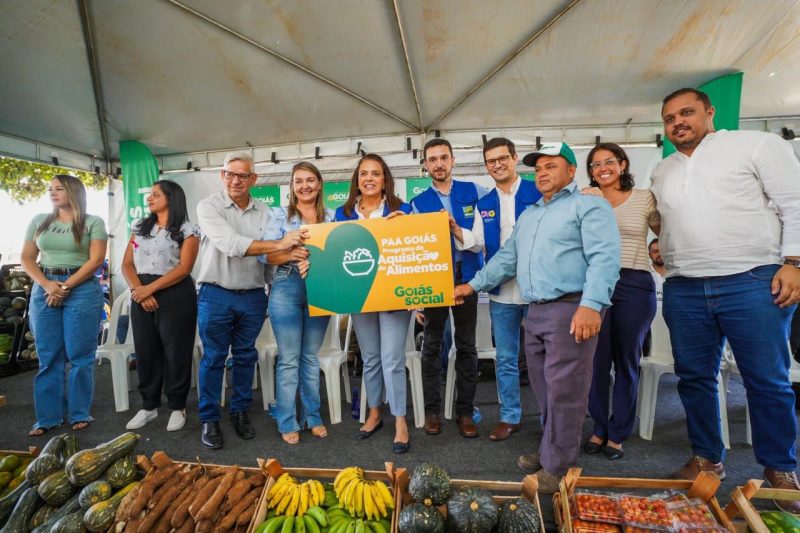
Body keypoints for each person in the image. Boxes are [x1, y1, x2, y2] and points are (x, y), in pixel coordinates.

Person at [651, 88, 800, 505]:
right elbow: (667, 219)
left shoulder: (756, 144)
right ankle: (706, 459)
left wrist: (795, 262)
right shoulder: (662, 170)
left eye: (686, 112)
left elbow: (795, 201)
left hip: (752, 279)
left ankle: (779, 468)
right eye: (669, 118)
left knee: (766, 380)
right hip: (683, 285)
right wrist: (657, 243)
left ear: (709, 113)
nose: (677, 122)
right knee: (694, 378)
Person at [454, 143, 620, 492]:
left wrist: (591, 304)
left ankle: (558, 467)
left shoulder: (589, 205)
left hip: (571, 308)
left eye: (551, 166)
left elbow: (605, 258)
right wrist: (470, 286)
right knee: (545, 389)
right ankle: (550, 450)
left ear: (572, 171)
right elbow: (505, 261)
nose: (542, 173)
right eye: (538, 168)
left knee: (565, 390)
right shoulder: (531, 214)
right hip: (537, 311)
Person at [196, 152, 307, 449]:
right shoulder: (208, 207)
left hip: (255, 296)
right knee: (214, 357)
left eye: (242, 175)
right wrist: (282, 243)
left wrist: (289, 263)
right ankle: (209, 418)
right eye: (230, 174)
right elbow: (230, 244)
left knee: (246, 355)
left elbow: (270, 261)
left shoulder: (267, 213)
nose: (235, 180)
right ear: (222, 176)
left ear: (253, 179)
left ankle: (240, 411)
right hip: (216, 292)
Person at [581, 143, 660, 460]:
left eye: (609, 161)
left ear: (623, 165)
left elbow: (661, 233)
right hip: (596, 284)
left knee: (627, 361)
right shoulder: (585, 199)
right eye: (595, 164)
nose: (602, 168)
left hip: (635, 283)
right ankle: (599, 427)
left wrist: (662, 256)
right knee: (596, 362)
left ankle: (618, 433)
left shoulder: (644, 198)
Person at [334, 154, 414, 453]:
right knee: (370, 357)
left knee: (392, 358)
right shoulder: (343, 214)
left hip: (393, 295)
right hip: (361, 295)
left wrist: (407, 225)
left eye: (376, 174)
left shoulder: (402, 209)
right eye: (364, 173)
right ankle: (374, 412)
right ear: (357, 179)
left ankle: (400, 420)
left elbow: (413, 250)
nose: (369, 178)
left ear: (385, 180)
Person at [411, 138, 489, 438]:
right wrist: (417, 298)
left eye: (444, 157)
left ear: (453, 160)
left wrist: (457, 230)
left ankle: (465, 412)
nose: (439, 164)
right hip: (433, 281)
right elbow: (413, 252)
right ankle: (432, 411)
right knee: (431, 346)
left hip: (467, 279)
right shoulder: (418, 202)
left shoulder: (475, 193)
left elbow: (481, 240)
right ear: (426, 165)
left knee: (467, 346)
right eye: (433, 159)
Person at [21, 175, 107, 435]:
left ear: (73, 192)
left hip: (81, 288)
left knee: (80, 356)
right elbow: (27, 258)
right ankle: (47, 418)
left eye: (58, 188)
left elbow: (96, 261)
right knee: (48, 357)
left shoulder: (93, 222)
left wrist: (65, 286)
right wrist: (48, 285)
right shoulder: (39, 220)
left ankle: (80, 413)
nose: (52, 193)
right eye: (50, 189)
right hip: (44, 286)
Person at [469, 137, 542, 441]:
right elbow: (474, 241)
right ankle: (509, 416)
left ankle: (550, 416)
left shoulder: (537, 189)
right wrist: (448, 227)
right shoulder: (483, 202)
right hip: (502, 291)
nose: (497, 164)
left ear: (515, 159)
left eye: (502, 158)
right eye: (491, 161)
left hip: (539, 289)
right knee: (507, 358)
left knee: (546, 358)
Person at [261, 162, 334, 445]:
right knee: (289, 358)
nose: (304, 186)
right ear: (292, 186)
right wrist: (291, 253)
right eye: (298, 181)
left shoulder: (331, 216)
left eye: (310, 180)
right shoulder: (279, 215)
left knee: (310, 357)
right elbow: (266, 256)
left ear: (319, 184)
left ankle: (313, 417)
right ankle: (287, 419)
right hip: (286, 285)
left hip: (322, 285)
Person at [121, 180, 200, 432]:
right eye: (149, 195)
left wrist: (150, 290)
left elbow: (184, 268)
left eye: (155, 194)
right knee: (145, 350)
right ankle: (149, 406)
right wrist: (138, 291)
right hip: (140, 291)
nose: (149, 198)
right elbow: (127, 264)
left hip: (175, 292)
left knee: (176, 351)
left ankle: (177, 406)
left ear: (171, 197)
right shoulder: (140, 227)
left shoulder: (188, 229)